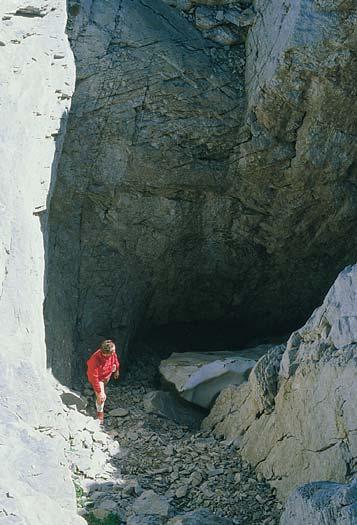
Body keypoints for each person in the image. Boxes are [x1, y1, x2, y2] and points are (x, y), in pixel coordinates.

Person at [87, 339, 120, 423]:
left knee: (101, 393)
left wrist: (117, 370)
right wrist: (99, 392)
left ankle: (99, 400)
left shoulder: (112, 353)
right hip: (99, 378)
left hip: (107, 374)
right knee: (101, 397)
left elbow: (115, 360)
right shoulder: (94, 360)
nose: (114, 353)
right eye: (112, 352)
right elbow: (94, 378)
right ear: (105, 353)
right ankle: (100, 414)